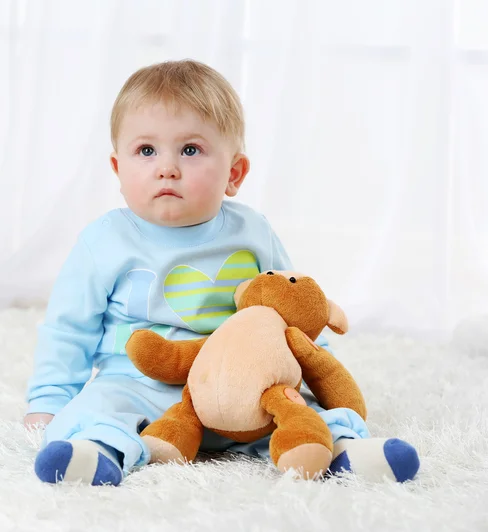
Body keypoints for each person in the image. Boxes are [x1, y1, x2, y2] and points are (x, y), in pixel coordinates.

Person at [24, 60, 419, 486]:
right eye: (146, 151)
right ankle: (98, 453)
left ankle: (344, 450)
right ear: (118, 170)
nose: (167, 167)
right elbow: (69, 329)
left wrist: (320, 372)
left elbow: (295, 305)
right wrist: (49, 399)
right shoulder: (104, 241)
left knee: (302, 409)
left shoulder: (251, 231)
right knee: (97, 407)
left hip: (243, 387)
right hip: (140, 381)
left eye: (190, 150)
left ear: (234, 173)